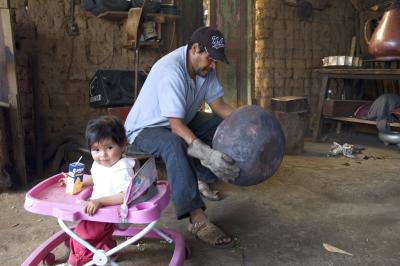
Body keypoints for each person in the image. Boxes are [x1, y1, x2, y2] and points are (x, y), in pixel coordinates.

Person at [124, 26, 240, 248]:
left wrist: (246, 121)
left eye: (216, 60)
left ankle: (202, 176)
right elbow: (175, 126)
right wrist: (205, 152)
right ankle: (197, 220)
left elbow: (219, 106)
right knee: (174, 143)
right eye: (210, 59)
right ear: (195, 49)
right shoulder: (171, 71)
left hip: (178, 121)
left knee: (218, 125)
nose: (213, 65)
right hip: (145, 130)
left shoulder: (206, 69)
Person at [60, 115, 134, 265]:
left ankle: (77, 261)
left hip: (109, 213)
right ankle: (108, 250)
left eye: (109, 147)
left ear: (123, 145)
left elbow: (126, 195)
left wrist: (100, 201)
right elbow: (96, 179)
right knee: (88, 232)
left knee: (82, 235)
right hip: (97, 210)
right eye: (96, 149)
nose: (102, 155)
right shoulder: (101, 164)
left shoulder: (122, 169)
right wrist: (76, 180)